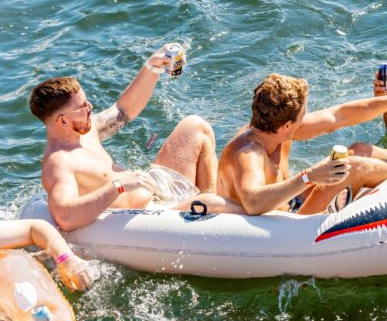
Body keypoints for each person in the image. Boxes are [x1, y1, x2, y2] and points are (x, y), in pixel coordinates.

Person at [30, 44, 241, 232]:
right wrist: (118, 186)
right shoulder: (59, 162)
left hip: (155, 188)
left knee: (196, 127)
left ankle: (210, 223)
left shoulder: (86, 129)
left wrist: (154, 64)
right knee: (211, 202)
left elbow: (123, 109)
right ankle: (220, 210)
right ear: (63, 121)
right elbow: (65, 217)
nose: (90, 108)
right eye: (83, 107)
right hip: (150, 214)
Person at [217, 73, 387, 216]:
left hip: (289, 208)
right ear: (287, 124)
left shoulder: (278, 131)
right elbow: (253, 202)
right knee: (354, 166)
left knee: (360, 149)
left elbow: (341, 115)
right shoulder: (249, 152)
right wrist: (309, 176)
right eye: (302, 114)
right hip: (276, 231)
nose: (306, 117)